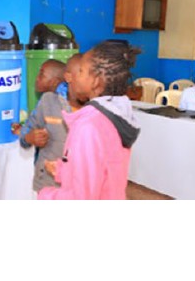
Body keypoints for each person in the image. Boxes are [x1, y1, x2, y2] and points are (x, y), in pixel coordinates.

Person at [39, 42, 141, 200]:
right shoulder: (115, 116)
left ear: (96, 82)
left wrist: (46, 195)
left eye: (81, 71)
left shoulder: (88, 127)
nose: (75, 75)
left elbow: (82, 198)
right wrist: (63, 169)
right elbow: (101, 168)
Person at [14, 56, 82, 194]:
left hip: (81, 184)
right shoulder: (47, 101)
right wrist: (28, 137)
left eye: (42, 74)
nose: (37, 78)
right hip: (49, 182)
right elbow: (27, 131)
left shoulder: (95, 107)